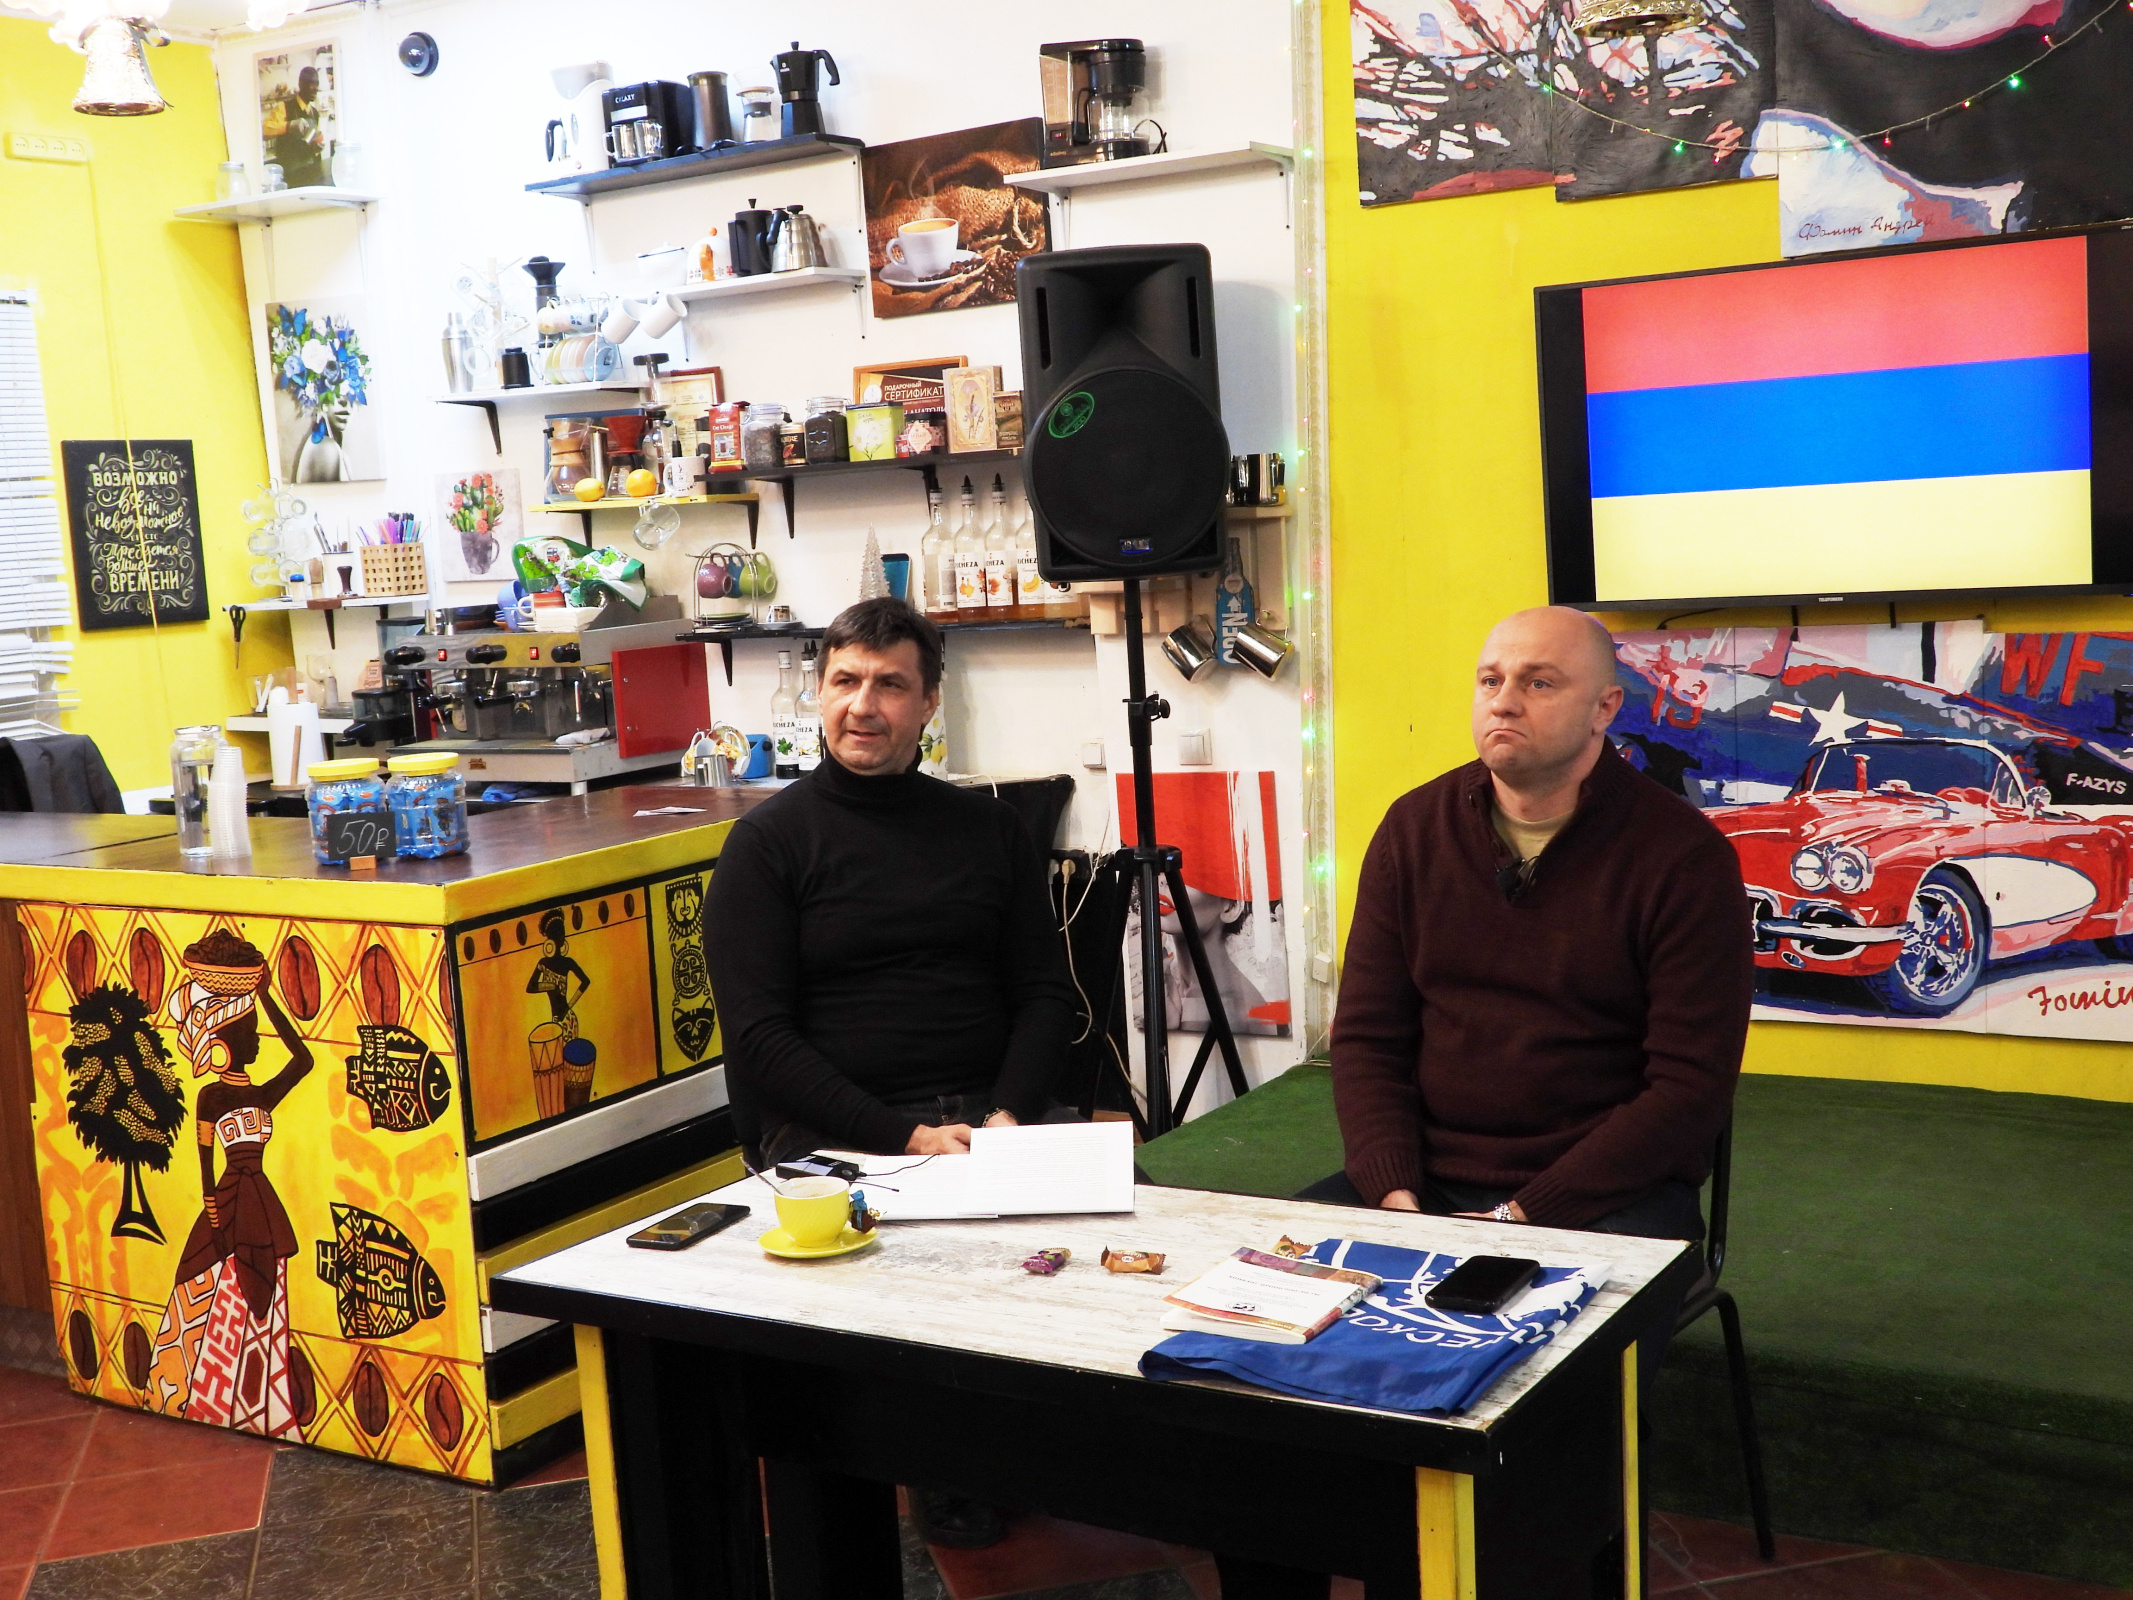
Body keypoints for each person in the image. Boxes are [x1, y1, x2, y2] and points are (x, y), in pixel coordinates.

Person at [1216, 607, 1753, 1600]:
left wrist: (1518, 1219)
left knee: (1526, 1411)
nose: (1505, 699)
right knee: (1248, 1350)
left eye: (1539, 681)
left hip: (1604, 1202)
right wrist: (1396, 1198)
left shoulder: (1681, 857)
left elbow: (1686, 1092)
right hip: (1422, 1186)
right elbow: (1369, 1039)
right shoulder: (1414, 829)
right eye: (1490, 678)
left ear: (1605, 708)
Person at [703, 597, 1076, 1169]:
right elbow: (758, 1039)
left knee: (1151, 1209)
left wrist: (1008, 1117)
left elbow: (1044, 993)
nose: (862, 706)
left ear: (929, 702)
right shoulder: (765, 844)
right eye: (845, 681)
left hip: (993, 1118)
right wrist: (912, 1138)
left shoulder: (992, 828)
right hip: (834, 1132)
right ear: (820, 692)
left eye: (890, 685)